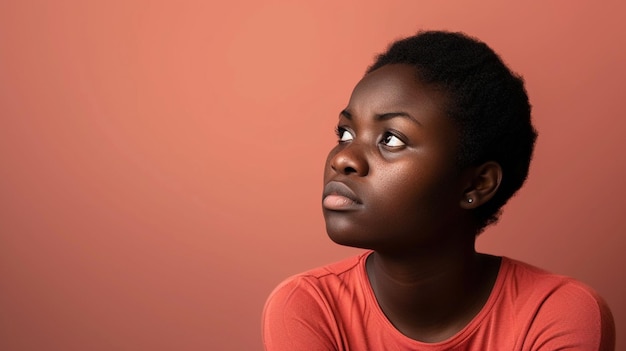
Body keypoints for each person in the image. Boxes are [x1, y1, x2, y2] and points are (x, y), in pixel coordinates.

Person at [262, 30, 615, 350]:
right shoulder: (308, 306)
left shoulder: (556, 312)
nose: (343, 159)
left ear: (476, 184)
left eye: (391, 139)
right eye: (346, 133)